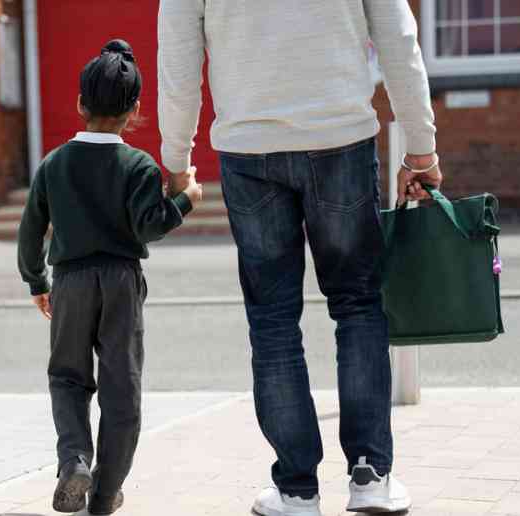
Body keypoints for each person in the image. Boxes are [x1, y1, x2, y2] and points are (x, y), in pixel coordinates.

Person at [158, 2, 443, 515]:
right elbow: (399, 38)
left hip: (249, 151)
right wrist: (421, 148)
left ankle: (296, 489)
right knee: (357, 305)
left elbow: (177, 59)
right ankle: (371, 473)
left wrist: (177, 160)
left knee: (272, 322)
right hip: (340, 139)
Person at [17, 39, 203, 515]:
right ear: (136, 109)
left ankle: (75, 460)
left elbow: (31, 228)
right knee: (122, 388)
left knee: (67, 378)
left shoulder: (54, 164)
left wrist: (37, 281)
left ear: (80, 104)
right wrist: (185, 199)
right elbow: (151, 224)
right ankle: (104, 493)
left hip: (71, 281)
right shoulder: (138, 165)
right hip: (121, 281)